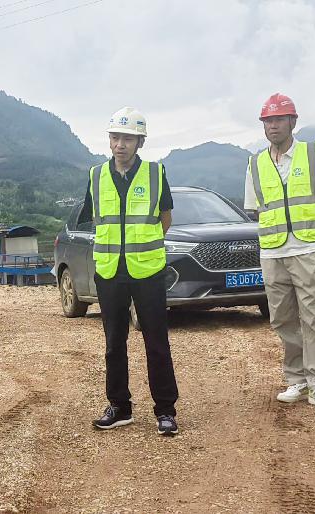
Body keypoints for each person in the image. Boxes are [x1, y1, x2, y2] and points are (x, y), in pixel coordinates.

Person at [77, 107, 179, 436]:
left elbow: (165, 218)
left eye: (128, 139)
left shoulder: (155, 173)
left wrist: (143, 247)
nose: (120, 144)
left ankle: (166, 410)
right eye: (115, 137)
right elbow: (97, 219)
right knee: (113, 343)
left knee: (156, 341)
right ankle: (119, 407)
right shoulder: (96, 175)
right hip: (110, 272)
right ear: (109, 140)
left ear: (140, 142)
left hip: (147, 270)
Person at [244, 93, 315, 410]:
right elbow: (256, 208)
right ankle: (296, 378)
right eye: (268, 121)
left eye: (279, 119)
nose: (273, 125)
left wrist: (308, 227)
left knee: (313, 318)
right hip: (272, 252)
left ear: (292, 122)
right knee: (282, 318)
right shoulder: (255, 163)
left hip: (306, 247)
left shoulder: (313, 154)